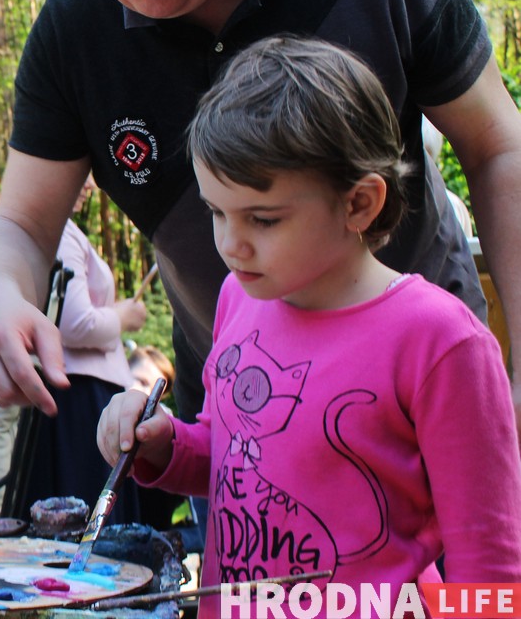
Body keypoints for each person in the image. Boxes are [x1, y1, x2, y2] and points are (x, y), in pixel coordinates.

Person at [0, 0, 521, 433]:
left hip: (425, 384)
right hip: (240, 409)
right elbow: (20, 225)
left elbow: (499, 147)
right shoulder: (74, 34)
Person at [97, 36, 521, 615]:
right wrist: (164, 443)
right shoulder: (237, 301)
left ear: (359, 204)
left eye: (263, 219)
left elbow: (491, 563)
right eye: (216, 211)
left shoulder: (440, 341)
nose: (230, 243)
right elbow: (236, 458)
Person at [19, 172, 149, 523]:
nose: (91, 185)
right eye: (83, 175)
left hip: (79, 397)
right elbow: (75, 325)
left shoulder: (55, 230)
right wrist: (123, 316)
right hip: (81, 401)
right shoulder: (60, 234)